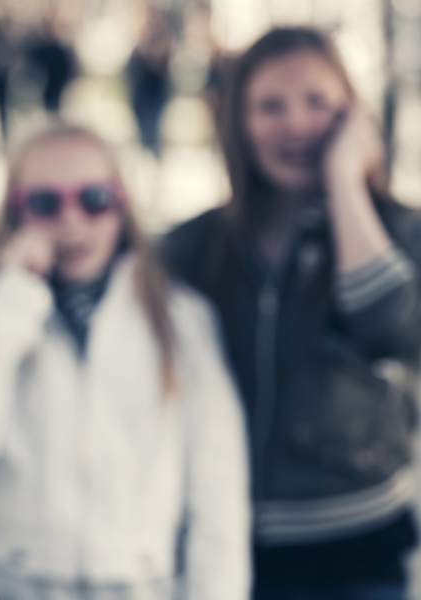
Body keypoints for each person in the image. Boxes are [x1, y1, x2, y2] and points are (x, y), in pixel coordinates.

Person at [0, 124, 250, 600]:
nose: (72, 221)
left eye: (94, 198)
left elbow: (219, 499)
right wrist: (14, 296)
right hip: (14, 586)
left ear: (122, 204)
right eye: (45, 203)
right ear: (16, 211)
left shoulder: (183, 322)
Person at [160, 27, 421, 600]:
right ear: (237, 122)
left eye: (317, 102)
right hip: (227, 551)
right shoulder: (193, 247)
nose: (297, 124)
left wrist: (345, 183)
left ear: (351, 114)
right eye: (270, 106)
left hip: (359, 555)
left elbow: (390, 328)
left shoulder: (400, 230)